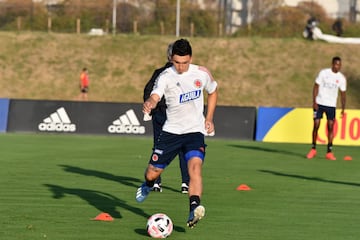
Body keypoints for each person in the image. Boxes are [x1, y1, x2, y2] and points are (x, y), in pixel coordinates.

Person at [136, 38, 218, 228]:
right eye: (177, 62)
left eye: (185, 62)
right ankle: (148, 185)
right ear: (171, 59)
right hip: (171, 131)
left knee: (195, 168)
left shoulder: (202, 73)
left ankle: (194, 208)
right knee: (152, 173)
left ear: (191, 58)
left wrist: (209, 118)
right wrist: (150, 103)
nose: (181, 67)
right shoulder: (165, 76)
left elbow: (213, 92)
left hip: (194, 131)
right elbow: (156, 95)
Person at [143, 42, 190, 194]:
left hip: (171, 115)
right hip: (167, 115)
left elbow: (148, 92)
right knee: (170, 148)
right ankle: (178, 183)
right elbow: (149, 92)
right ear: (171, 57)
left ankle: (176, 182)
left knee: (165, 148)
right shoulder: (162, 73)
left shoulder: (182, 74)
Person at [306, 56, 346, 160]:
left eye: (340, 65)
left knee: (330, 127)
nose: (338, 66)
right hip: (319, 103)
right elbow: (316, 86)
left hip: (331, 105)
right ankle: (313, 148)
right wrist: (314, 101)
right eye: (337, 64)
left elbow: (343, 94)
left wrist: (343, 108)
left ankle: (329, 151)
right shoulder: (324, 73)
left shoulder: (341, 78)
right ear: (332, 64)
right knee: (316, 125)